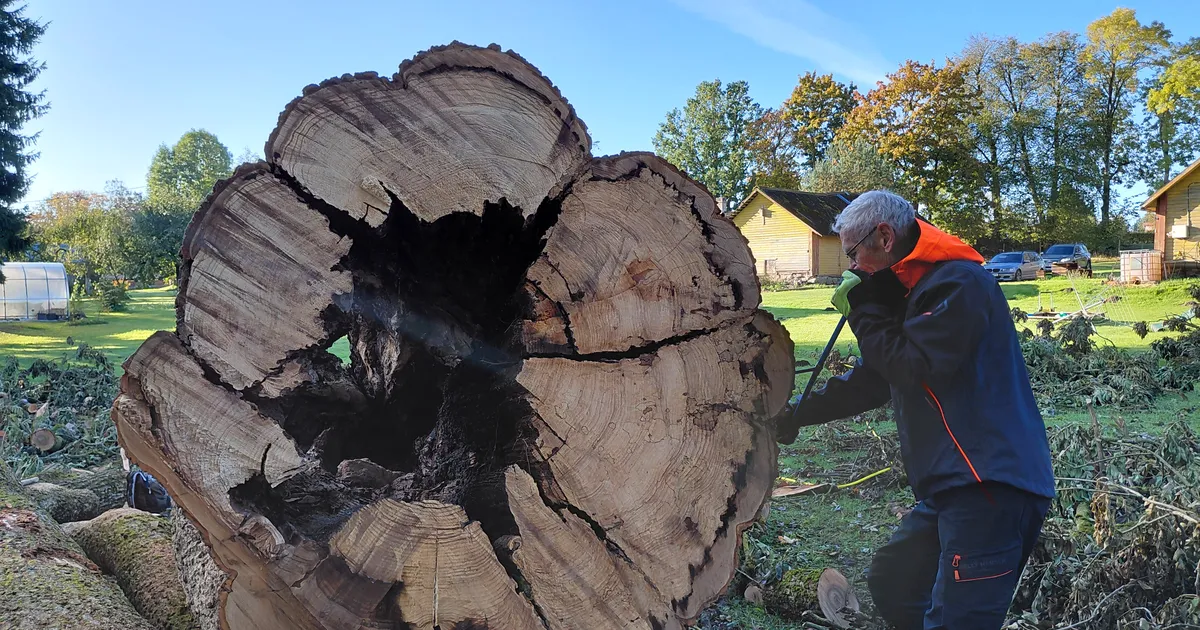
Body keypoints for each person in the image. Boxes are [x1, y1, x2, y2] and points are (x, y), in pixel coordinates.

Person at [775, 190, 1055, 630]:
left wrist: (865, 309)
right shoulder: (917, 289)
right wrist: (796, 414)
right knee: (895, 581)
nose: (851, 267)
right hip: (954, 487)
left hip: (990, 486)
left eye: (853, 253)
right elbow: (874, 379)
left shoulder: (959, 284)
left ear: (884, 236)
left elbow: (912, 368)